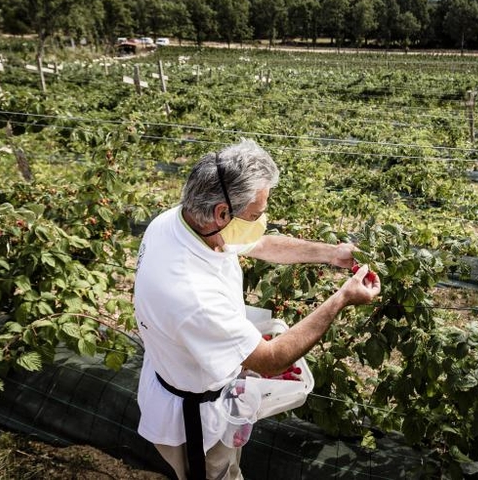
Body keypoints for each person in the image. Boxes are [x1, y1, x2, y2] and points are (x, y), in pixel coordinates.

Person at [134, 139, 382, 480]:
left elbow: (262, 244)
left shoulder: (180, 222)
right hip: (196, 421)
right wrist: (341, 298)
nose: (263, 219)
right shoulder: (192, 295)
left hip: (190, 373)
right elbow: (270, 357)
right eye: (256, 214)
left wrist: (331, 253)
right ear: (223, 212)